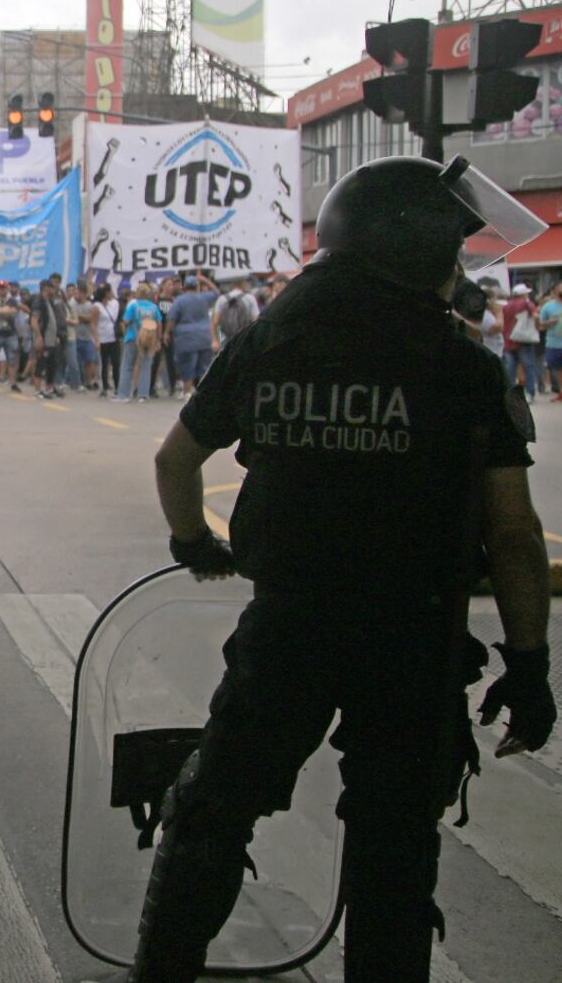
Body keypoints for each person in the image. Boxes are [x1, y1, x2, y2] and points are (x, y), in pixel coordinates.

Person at [136, 155, 554, 983]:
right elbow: (513, 534)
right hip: (413, 635)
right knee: (395, 847)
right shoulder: (464, 365)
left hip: (290, 625)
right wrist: (530, 663)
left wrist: (195, 546)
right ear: (417, 250)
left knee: (211, 812)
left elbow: (175, 463)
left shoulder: (273, 340)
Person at [166, 276, 216, 399]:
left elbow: (172, 319)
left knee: (186, 364)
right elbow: (217, 292)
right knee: (203, 366)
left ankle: (187, 391)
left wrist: (166, 332)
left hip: (185, 337)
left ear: (184, 287)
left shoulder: (179, 301)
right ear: (196, 286)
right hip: (204, 336)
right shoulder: (204, 298)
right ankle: (203, 392)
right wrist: (205, 279)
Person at [114, 282, 162, 403]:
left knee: (127, 366)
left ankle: (123, 394)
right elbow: (159, 323)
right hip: (149, 339)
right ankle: (143, 394)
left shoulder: (133, 306)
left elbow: (125, 321)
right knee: (146, 366)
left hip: (133, 338)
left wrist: (126, 334)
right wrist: (158, 339)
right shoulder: (153, 307)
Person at [502, 282, 542, 403]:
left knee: (510, 370)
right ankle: (530, 393)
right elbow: (535, 315)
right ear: (523, 294)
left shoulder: (506, 305)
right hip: (523, 341)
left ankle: (511, 394)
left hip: (508, 341)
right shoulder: (526, 303)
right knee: (528, 367)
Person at [93, 283, 121, 396]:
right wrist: (96, 339)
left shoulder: (114, 303)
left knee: (116, 363)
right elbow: (93, 324)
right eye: (109, 292)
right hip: (103, 338)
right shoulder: (97, 306)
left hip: (114, 337)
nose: (111, 294)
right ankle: (104, 387)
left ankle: (117, 387)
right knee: (104, 364)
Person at [539, 281, 562, 403]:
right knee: (557, 368)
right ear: (555, 291)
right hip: (554, 343)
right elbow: (540, 324)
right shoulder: (548, 307)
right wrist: (549, 322)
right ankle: (560, 392)